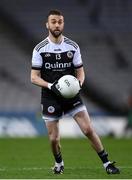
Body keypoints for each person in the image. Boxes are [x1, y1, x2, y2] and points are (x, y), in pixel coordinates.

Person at [31, 9, 120, 175]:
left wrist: (79, 83)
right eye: (53, 21)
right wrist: (51, 86)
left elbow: (80, 72)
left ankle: (107, 163)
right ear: (47, 24)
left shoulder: (73, 46)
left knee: (88, 129)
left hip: (72, 95)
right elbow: (34, 78)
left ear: (63, 24)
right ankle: (59, 163)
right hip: (50, 97)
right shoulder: (40, 49)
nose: (57, 25)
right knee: (54, 139)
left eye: (60, 21)